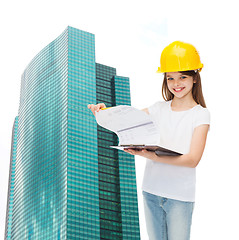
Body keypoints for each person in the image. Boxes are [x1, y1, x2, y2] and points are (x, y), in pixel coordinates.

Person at [87, 41, 210, 240]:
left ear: (195, 77)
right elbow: (126, 119)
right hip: (151, 192)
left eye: (182, 77)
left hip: (180, 197)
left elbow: (192, 159)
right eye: (170, 78)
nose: (176, 84)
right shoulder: (158, 109)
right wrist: (103, 111)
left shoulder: (201, 115)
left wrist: (150, 155)